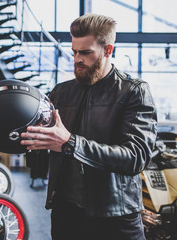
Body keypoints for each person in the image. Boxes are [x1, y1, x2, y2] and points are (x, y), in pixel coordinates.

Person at [20, 13, 157, 240]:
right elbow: (44, 148)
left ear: (108, 50)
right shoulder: (61, 92)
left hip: (115, 217)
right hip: (66, 213)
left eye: (85, 52)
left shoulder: (134, 91)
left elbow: (136, 157)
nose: (77, 59)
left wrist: (70, 143)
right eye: (74, 51)